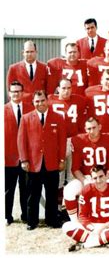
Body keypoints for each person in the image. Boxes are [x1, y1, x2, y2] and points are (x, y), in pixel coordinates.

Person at [18, 90, 67, 230]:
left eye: (42, 100)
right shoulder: (26, 118)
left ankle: (51, 220)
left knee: (51, 193)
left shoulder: (58, 118)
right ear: (33, 102)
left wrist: (62, 159)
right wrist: (24, 160)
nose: (40, 103)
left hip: (52, 163)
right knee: (33, 194)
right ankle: (32, 221)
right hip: (33, 164)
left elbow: (62, 141)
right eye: (37, 101)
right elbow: (21, 141)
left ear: (47, 100)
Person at [63, 117, 109, 221]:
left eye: (94, 127)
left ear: (100, 127)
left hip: (104, 176)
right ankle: (75, 222)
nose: (92, 131)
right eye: (89, 129)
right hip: (86, 177)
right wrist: (85, 181)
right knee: (69, 191)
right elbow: (75, 168)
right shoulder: (78, 140)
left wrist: (103, 179)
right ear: (85, 129)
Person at [62, 165, 109, 250]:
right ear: (92, 179)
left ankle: (86, 245)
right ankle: (102, 241)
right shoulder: (86, 189)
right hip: (92, 226)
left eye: (101, 176)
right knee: (66, 226)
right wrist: (93, 229)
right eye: (95, 178)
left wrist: (103, 227)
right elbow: (82, 216)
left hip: (108, 226)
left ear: (106, 176)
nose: (99, 180)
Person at [48, 78, 88, 190]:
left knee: (73, 173)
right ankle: (58, 204)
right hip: (56, 141)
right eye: (63, 88)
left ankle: (70, 202)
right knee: (58, 175)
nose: (66, 91)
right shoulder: (50, 100)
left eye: (69, 88)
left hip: (73, 139)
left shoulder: (79, 100)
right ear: (58, 89)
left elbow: (82, 122)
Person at [4, 81, 33, 225]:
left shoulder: (30, 109)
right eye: (13, 91)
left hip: (26, 158)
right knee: (7, 190)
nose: (16, 94)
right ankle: (6, 216)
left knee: (26, 189)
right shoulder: (3, 111)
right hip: (8, 158)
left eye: (19, 91)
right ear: (9, 94)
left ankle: (26, 215)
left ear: (23, 93)